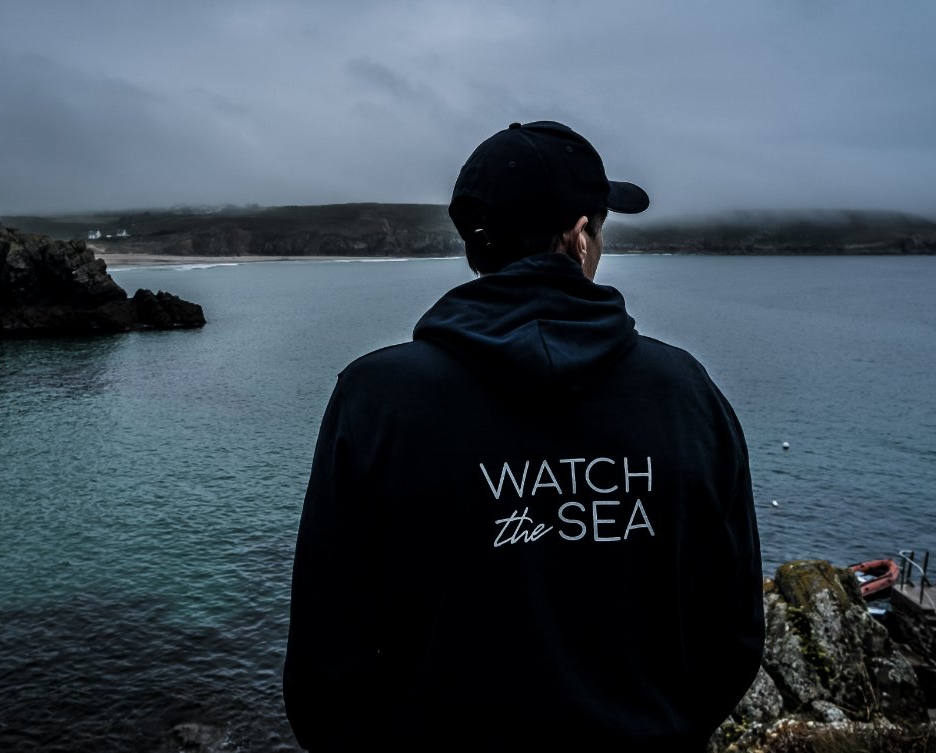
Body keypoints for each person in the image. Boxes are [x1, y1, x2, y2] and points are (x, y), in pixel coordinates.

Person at [283, 120, 764, 752]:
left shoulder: (377, 399)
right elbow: (732, 633)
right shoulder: (685, 393)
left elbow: (324, 652)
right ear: (581, 233)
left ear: (475, 247)